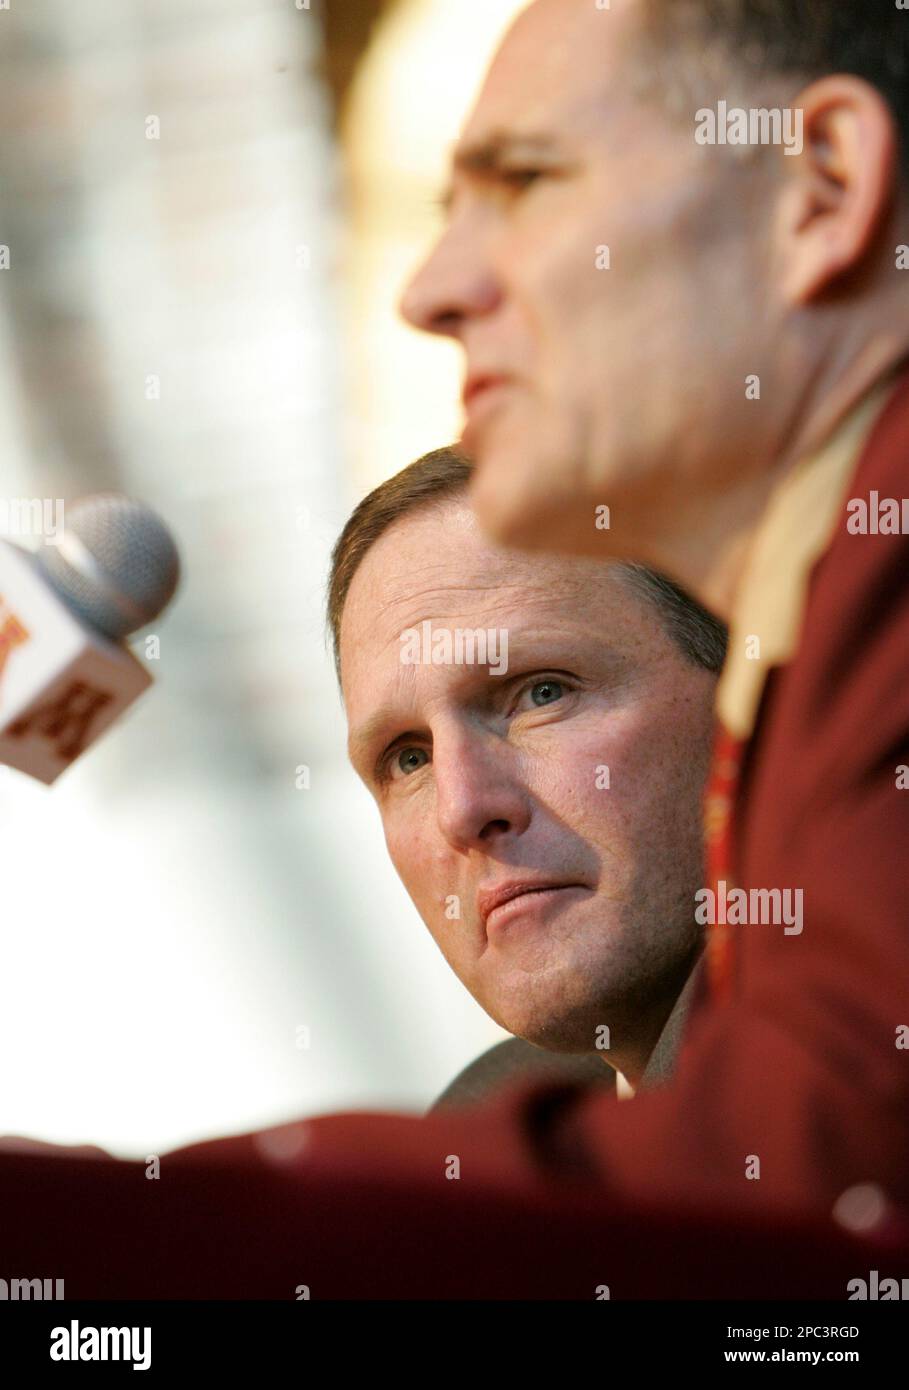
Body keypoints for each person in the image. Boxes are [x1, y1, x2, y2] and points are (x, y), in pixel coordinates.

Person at [328, 445, 726, 1103]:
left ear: (744, 701)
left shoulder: (853, 1060)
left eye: (542, 693)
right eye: (409, 758)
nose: (462, 808)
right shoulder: (489, 1130)